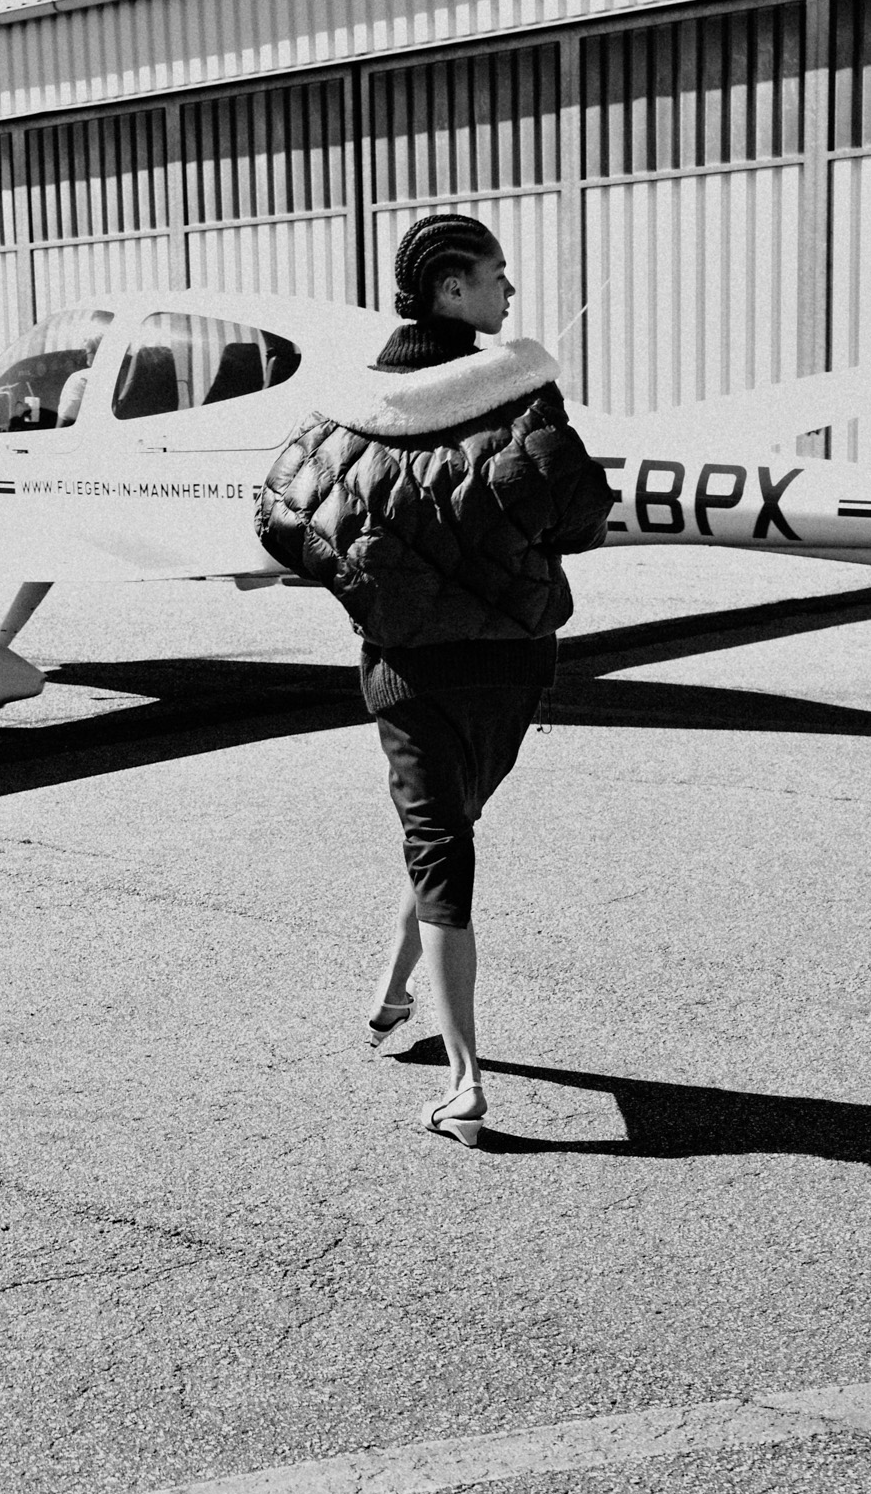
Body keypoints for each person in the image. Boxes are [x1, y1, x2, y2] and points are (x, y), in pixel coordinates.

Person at [256, 212, 614, 1146]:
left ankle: (464, 1086)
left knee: (439, 841)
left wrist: (365, 573)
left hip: (408, 671)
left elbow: (280, 518)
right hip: (514, 664)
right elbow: (580, 516)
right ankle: (392, 1002)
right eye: (497, 274)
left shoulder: (344, 407)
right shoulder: (521, 395)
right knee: (446, 836)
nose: (509, 290)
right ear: (452, 289)